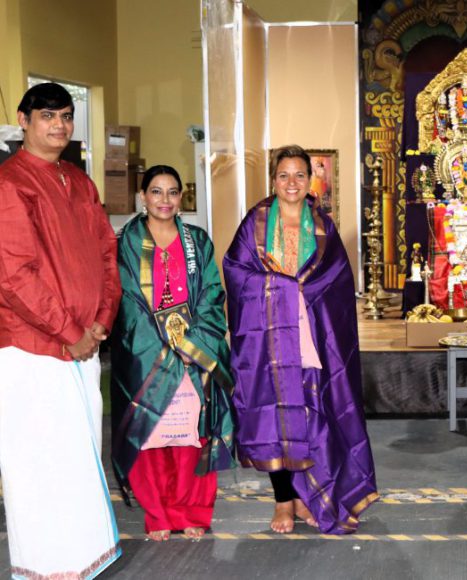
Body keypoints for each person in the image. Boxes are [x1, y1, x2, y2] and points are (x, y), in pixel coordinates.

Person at [224, 145, 378, 534]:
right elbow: (236, 270)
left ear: (310, 180)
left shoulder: (323, 228)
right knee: (275, 418)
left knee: (311, 412)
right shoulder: (256, 223)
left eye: (299, 175)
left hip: (312, 337)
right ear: (272, 180)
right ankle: (283, 501)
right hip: (269, 339)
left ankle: (309, 496)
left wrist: (306, 295)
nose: (291, 183)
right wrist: (280, 288)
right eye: (283, 175)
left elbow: (338, 282)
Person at [0, 82, 121, 577]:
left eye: (67, 116)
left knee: (79, 457)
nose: (59, 125)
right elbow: (14, 276)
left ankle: (80, 561)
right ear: (24, 120)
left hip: (84, 345)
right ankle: (46, 568)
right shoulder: (11, 183)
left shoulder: (79, 180)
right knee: (40, 463)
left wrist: (101, 318)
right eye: (48, 115)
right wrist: (69, 331)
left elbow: (107, 254)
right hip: (32, 350)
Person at [110, 165, 235, 541]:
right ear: (142, 197)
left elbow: (212, 293)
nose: (164, 200)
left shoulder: (198, 241)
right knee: (151, 433)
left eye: (172, 192)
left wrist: (193, 344)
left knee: (191, 435)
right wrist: (160, 346)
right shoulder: (126, 243)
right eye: (156, 191)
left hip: (193, 355)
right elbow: (126, 300)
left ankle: (193, 511)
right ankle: (159, 514)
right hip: (147, 354)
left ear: (182, 198)